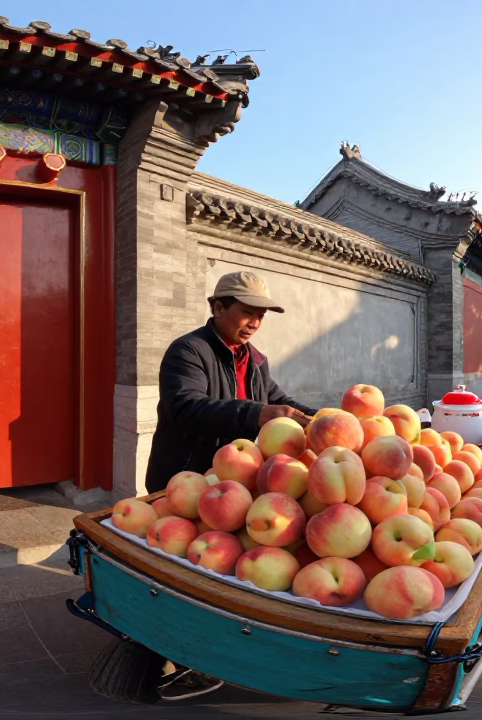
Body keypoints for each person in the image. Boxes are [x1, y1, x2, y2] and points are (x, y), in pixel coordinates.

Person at [143, 270, 318, 700]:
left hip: (231, 488)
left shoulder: (255, 359)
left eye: (261, 314)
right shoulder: (188, 351)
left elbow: (281, 402)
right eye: (246, 312)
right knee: (175, 579)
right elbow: (186, 406)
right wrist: (254, 415)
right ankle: (163, 655)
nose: (255, 321)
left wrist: (325, 420)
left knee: (216, 578)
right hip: (185, 482)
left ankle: (204, 652)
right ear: (217, 306)